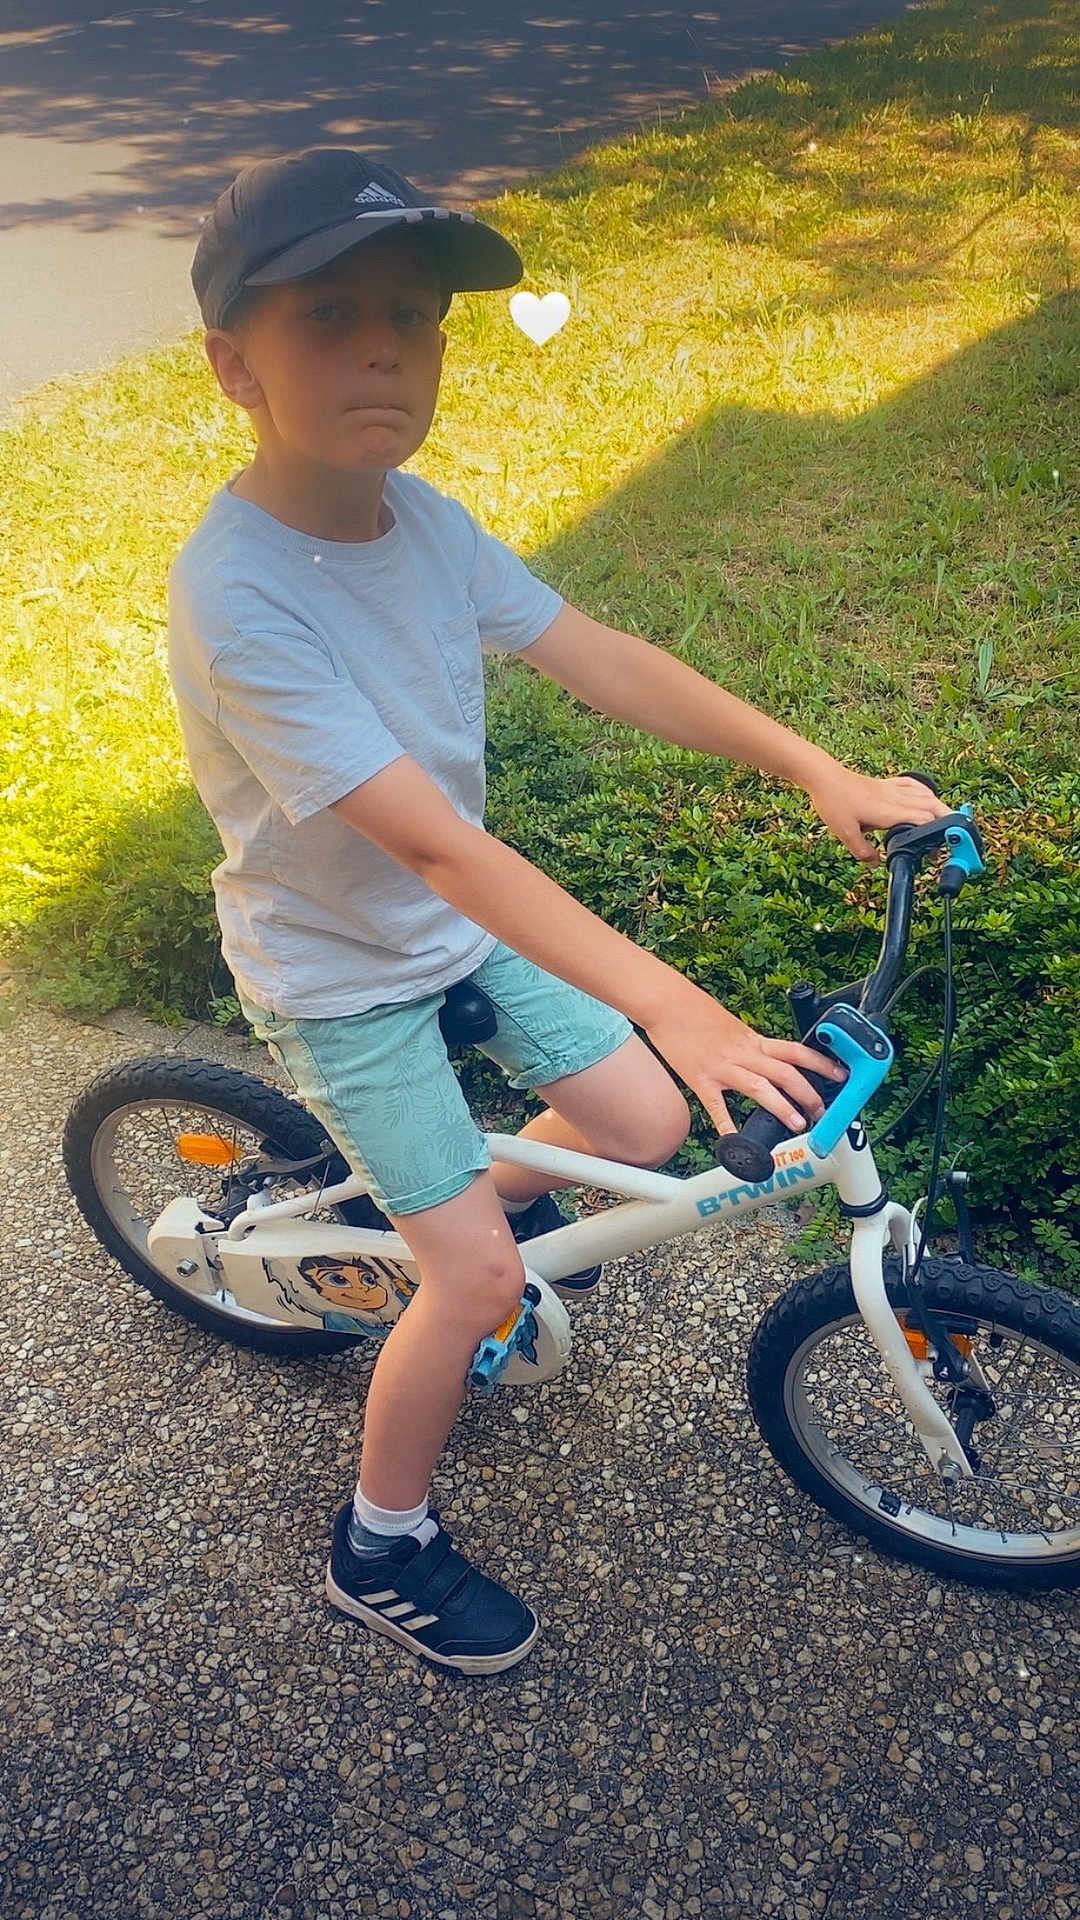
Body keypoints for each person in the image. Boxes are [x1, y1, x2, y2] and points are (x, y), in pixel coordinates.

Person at [169, 146, 949, 1675]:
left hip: (451, 932)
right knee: (472, 1277)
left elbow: (598, 654)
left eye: (412, 314)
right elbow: (445, 852)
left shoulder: (424, 521)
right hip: (341, 970)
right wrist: (671, 996)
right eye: (330, 315)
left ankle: (446, 1217)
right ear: (230, 367)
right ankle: (380, 1542)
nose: (386, 347)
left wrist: (819, 767)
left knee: (644, 1126)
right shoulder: (240, 592)